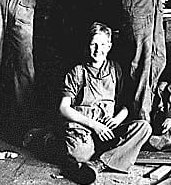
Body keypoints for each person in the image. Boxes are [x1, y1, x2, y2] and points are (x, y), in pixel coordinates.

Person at [59, 22, 151, 185]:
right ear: (88, 45)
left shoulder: (115, 69)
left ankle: (99, 164)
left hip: (108, 128)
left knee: (144, 128)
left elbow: (125, 106)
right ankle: (46, 137)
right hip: (85, 127)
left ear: (109, 46)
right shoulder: (78, 71)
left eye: (102, 44)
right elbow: (64, 108)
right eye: (93, 44)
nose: (97, 49)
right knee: (80, 154)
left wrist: (117, 120)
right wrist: (94, 125)